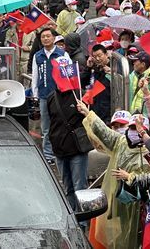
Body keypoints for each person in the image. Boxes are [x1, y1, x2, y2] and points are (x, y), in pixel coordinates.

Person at [76, 101, 150, 249]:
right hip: (118, 199)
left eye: (137, 128)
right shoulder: (121, 142)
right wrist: (88, 113)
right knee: (122, 231)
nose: (132, 131)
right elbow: (103, 132)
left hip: (139, 207)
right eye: (131, 127)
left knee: (136, 236)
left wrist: (129, 177)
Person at [47, 81, 91, 210]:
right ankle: (73, 219)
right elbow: (50, 120)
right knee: (68, 188)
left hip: (77, 149)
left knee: (80, 188)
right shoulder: (51, 97)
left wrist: (85, 110)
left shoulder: (80, 96)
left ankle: (82, 222)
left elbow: (92, 119)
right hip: (59, 150)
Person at [31, 27, 70, 164]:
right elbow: (35, 76)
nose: (46, 39)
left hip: (60, 96)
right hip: (43, 95)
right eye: (43, 37)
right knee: (46, 127)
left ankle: (60, 152)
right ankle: (48, 155)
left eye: (48, 36)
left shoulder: (62, 54)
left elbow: (69, 75)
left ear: (54, 38)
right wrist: (35, 94)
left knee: (60, 125)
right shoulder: (38, 56)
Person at [85, 44, 112, 123]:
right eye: (95, 56)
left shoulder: (115, 67)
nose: (97, 59)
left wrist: (112, 73)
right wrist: (88, 68)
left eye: (100, 55)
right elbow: (83, 82)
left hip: (108, 110)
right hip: (95, 108)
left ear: (106, 54)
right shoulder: (94, 68)